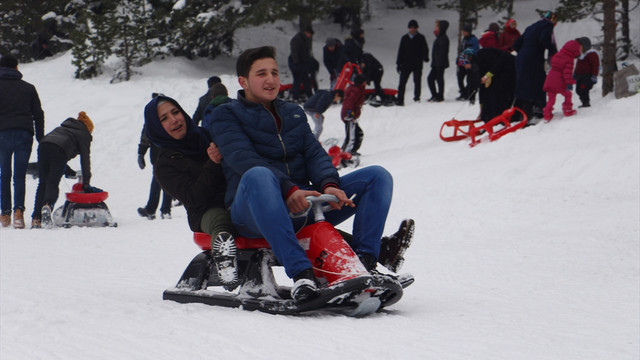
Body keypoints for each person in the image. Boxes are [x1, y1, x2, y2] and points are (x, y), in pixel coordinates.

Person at [207, 46, 405, 303]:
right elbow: (242, 158)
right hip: (253, 214)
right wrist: (288, 189)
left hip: (302, 205)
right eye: (261, 73)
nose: (271, 79)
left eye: (275, 72)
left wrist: (330, 184)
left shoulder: (292, 112)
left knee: (377, 176)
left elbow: (314, 153)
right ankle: (301, 273)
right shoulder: (226, 115)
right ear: (243, 81)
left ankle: (365, 263)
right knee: (258, 174)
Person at [144, 95, 239, 285]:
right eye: (164, 119)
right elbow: (194, 197)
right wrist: (213, 164)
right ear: (156, 127)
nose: (174, 120)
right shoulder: (165, 164)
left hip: (235, 199)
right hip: (205, 212)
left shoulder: (207, 136)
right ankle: (225, 259)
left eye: (176, 112)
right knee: (220, 219)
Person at [0, 55, 45, 229]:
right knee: (19, 175)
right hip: (24, 135)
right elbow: (38, 114)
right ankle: (18, 213)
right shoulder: (29, 88)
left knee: (4, 174)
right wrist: (41, 137)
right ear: (17, 68)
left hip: (2, 135)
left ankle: (5, 213)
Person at [31, 112, 96, 229]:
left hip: (44, 145)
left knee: (43, 182)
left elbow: (56, 148)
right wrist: (86, 182)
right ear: (88, 128)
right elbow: (85, 160)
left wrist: (68, 171)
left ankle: (36, 219)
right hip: (59, 151)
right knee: (53, 182)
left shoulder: (63, 128)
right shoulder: (83, 134)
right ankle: (48, 205)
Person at [513, 11, 558, 122]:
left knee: (522, 84)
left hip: (521, 58)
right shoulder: (547, 25)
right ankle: (537, 110)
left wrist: (523, 52)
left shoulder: (531, 27)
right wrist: (552, 50)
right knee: (539, 82)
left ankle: (517, 113)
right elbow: (544, 39)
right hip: (533, 59)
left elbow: (516, 44)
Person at [137, 93, 172, 221]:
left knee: (158, 179)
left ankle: (152, 209)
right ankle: (165, 210)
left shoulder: (151, 117)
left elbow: (146, 136)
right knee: (167, 177)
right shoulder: (170, 115)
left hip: (158, 153)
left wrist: (141, 153)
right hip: (169, 151)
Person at [466, 47, 516, 123]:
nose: (466, 67)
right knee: (489, 94)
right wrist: (482, 110)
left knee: (498, 94)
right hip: (499, 72)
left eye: (466, 64)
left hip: (509, 68)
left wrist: (488, 75)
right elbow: (482, 90)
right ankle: (489, 117)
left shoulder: (483, 56)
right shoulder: (477, 68)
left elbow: (499, 63)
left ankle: (500, 118)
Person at [542, 40, 581, 121]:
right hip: (559, 81)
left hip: (550, 78)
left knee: (551, 98)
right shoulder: (569, 59)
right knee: (568, 95)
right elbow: (567, 73)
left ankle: (547, 114)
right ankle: (567, 110)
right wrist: (569, 84)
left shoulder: (557, 54)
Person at [395, 19, 429, 106]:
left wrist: (425, 57)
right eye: (411, 27)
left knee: (417, 81)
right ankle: (400, 99)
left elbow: (425, 48)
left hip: (417, 63)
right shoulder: (404, 38)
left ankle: (417, 98)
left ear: (417, 28)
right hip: (406, 64)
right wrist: (398, 63)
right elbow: (401, 51)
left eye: (414, 27)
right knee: (402, 82)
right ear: (408, 28)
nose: (412, 29)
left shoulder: (421, 37)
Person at [288, 25, 316, 103]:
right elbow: (294, 52)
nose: (310, 36)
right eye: (310, 34)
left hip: (301, 63)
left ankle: (299, 96)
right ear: (307, 33)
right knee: (299, 80)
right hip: (297, 63)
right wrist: (296, 63)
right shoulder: (298, 39)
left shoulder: (302, 39)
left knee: (304, 80)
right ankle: (297, 97)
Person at [341, 74, 366, 158]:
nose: (366, 83)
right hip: (349, 115)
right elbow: (349, 102)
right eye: (365, 82)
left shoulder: (358, 89)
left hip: (353, 115)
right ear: (361, 82)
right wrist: (350, 112)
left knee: (358, 133)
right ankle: (345, 153)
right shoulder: (354, 90)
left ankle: (352, 150)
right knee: (351, 136)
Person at [427, 20, 450, 102]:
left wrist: (438, 63)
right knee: (432, 79)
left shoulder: (443, 38)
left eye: (437, 27)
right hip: (436, 63)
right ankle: (435, 95)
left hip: (440, 63)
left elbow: (442, 52)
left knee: (437, 79)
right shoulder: (439, 37)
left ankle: (439, 96)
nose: (435, 28)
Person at [573, 37, 600, 108]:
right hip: (579, 76)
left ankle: (586, 103)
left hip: (587, 76)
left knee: (584, 89)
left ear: (585, 46)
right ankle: (583, 100)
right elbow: (578, 65)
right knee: (578, 90)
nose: (578, 48)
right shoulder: (581, 55)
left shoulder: (591, 54)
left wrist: (594, 75)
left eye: (579, 46)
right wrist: (575, 73)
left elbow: (595, 65)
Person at [456, 24, 479, 101]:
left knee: (469, 79)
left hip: (470, 62)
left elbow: (475, 51)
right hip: (463, 61)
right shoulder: (464, 39)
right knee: (460, 77)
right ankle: (463, 92)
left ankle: (467, 93)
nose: (463, 33)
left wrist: (469, 61)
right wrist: (459, 59)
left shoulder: (473, 39)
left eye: (465, 31)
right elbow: (462, 50)